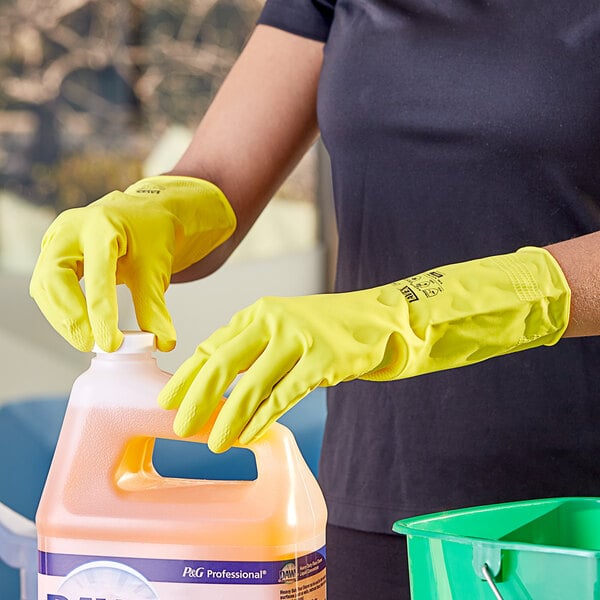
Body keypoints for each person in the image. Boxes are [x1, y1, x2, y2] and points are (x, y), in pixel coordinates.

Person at [29, 2, 600, 598]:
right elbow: (223, 173)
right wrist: (152, 211)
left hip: (578, 519)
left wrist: (417, 312)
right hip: (375, 506)